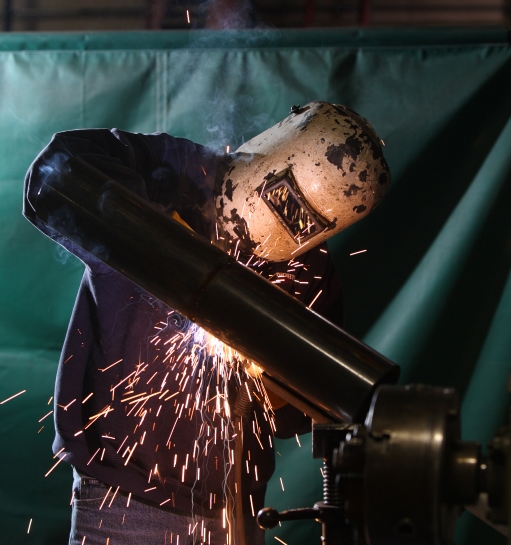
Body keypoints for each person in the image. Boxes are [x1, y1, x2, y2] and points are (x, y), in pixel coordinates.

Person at [23, 101, 389, 545]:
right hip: (124, 504)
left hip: (237, 510)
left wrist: (266, 384)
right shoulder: (174, 171)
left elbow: (301, 411)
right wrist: (166, 243)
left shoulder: (310, 269)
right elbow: (52, 176)